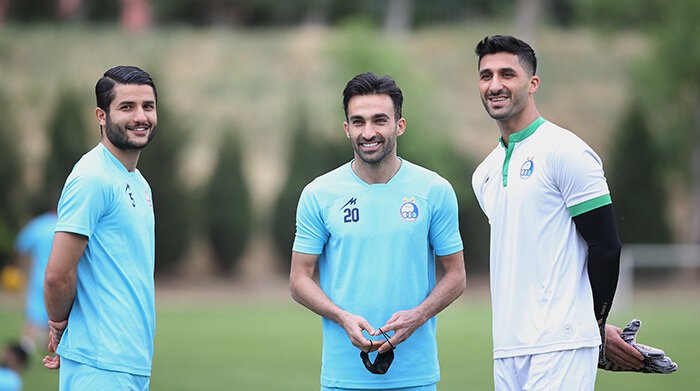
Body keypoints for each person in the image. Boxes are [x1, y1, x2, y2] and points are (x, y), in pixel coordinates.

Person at [471, 35, 646, 390]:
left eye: (508, 74)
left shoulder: (566, 152)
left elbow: (606, 246)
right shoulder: (483, 174)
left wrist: (593, 326)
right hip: (507, 347)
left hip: (561, 345)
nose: (495, 85)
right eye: (486, 75)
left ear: (533, 83)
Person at [289, 72, 466, 391]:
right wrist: (341, 317)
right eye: (358, 122)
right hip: (342, 377)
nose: (368, 132)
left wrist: (418, 315)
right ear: (347, 129)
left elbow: (456, 276)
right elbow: (299, 279)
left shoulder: (434, 190)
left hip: (415, 376)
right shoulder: (319, 194)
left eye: (379, 120)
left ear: (400, 125)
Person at [42, 65, 158, 390]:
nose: (140, 116)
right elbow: (57, 275)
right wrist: (60, 325)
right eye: (127, 107)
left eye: (147, 106)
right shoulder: (92, 177)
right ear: (101, 116)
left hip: (128, 361)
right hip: (102, 363)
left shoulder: (138, 182)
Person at [13, 200, 58, 354]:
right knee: (57, 320)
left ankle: (25, 352)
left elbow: (20, 247)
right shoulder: (67, 225)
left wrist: (24, 269)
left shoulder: (37, 225)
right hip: (63, 280)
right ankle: (53, 352)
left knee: (33, 320)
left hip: (39, 278)